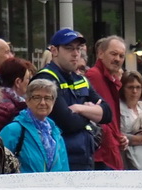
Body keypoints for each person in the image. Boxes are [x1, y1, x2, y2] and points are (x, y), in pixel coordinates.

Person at [35, 29, 110, 172]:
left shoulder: (80, 79)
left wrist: (80, 109)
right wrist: (92, 115)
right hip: (59, 159)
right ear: (54, 50)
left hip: (84, 157)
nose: (76, 53)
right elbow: (67, 121)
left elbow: (107, 113)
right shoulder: (46, 78)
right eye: (69, 48)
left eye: (78, 48)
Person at [0, 78, 70, 173]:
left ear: (53, 102)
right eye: (37, 97)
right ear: (27, 100)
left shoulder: (55, 134)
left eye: (48, 98)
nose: (42, 103)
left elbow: (64, 171)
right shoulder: (13, 131)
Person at [84, 35, 130, 171]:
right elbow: (101, 119)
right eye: (113, 54)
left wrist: (119, 137)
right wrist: (114, 139)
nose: (117, 59)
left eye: (121, 56)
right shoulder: (94, 75)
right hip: (102, 153)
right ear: (100, 53)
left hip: (109, 149)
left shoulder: (110, 79)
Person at [0, 57, 33, 130]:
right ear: (18, 82)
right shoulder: (10, 108)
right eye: (28, 78)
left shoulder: (1, 99)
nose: (29, 82)